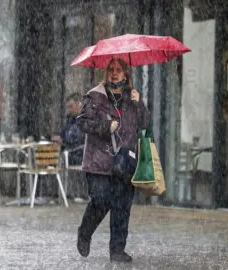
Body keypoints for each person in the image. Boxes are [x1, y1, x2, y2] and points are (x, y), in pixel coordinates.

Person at [76, 58, 151, 263]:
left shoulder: (131, 97)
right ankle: (85, 232)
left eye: (119, 70)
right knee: (101, 201)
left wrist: (139, 102)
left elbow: (145, 123)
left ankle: (117, 250)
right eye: (111, 69)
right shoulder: (95, 95)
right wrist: (104, 126)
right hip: (98, 162)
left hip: (124, 162)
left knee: (122, 206)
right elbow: (81, 122)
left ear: (126, 74)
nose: (114, 73)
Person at [55, 92, 88, 202]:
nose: (69, 109)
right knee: (48, 157)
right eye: (68, 107)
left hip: (80, 155)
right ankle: (58, 193)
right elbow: (63, 132)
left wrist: (63, 140)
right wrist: (58, 137)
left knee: (55, 159)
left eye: (71, 106)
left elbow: (76, 137)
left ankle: (63, 194)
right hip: (69, 152)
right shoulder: (70, 119)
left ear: (79, 104)